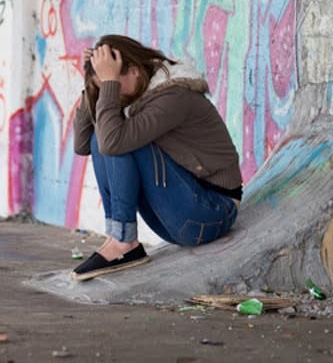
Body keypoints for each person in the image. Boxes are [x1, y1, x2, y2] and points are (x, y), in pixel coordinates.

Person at [71, 35, 243, 281]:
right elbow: (82, 145)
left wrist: (108, 82)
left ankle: (123, 242)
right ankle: (119, 236)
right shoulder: (137, 94)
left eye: (114, 85)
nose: (113, 95)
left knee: (117, 140)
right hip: (177, 214)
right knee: (104, 137)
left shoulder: (173, 96)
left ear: (135, 71)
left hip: (212, 213)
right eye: (107, 89)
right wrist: (94, 85)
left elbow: (113, 143)